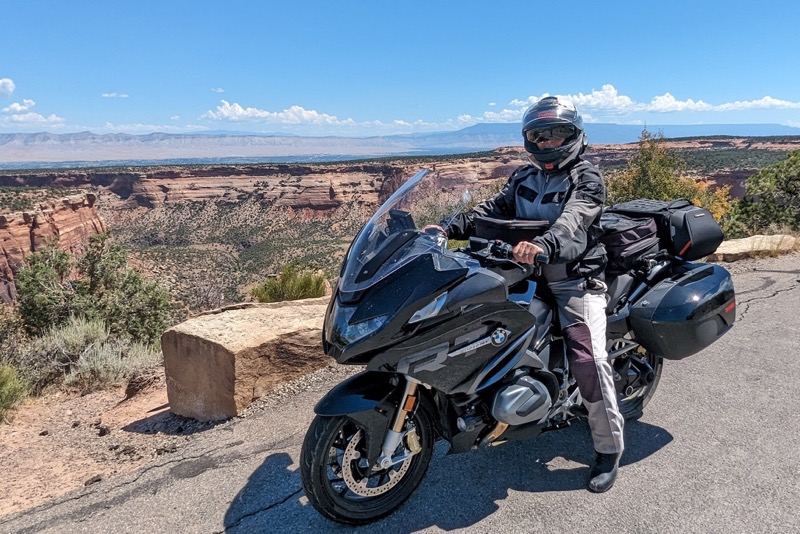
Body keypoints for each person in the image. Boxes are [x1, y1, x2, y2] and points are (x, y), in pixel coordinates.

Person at [437, 96, 624, 493]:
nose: (549, 143)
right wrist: (446, 227)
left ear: (574, 136)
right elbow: (490, 212)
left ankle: (608, 450)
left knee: (588, 357)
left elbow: (575, 221)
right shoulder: (523, 177)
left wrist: (544, 244)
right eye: (541, 135)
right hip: (522, 273)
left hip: (573, 279)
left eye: (558, 135)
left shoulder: (587, 178)